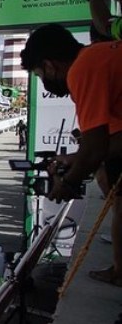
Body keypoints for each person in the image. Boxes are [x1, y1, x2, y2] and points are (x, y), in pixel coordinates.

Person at [19, 24, 122, 289]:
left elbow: (97, 147)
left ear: (49, 65)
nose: (45, 81)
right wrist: (77, 158)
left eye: (40, 74)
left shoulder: (82, 69)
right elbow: (110, 141)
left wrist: (67, 183)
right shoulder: (98, 56)